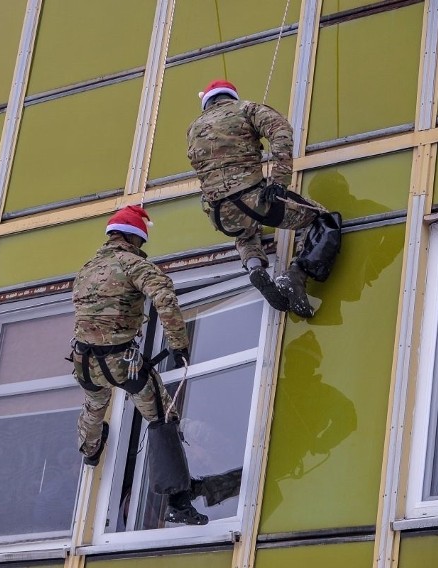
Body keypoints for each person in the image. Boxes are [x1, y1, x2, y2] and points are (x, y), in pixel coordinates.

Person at [70, 204, 208, 525]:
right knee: (161, 414)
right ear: (135, 239)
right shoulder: (133, 265)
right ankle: (178, 501)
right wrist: (178, 344)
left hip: (83, 361)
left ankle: (90, 451)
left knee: (94, 405)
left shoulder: (85, 270)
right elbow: (164, 297)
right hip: (122, 360)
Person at [186, 79, 341, 318]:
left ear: (207, 103)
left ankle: (254, 267)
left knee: (245, 233)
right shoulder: (246, 109)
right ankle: (297, 274)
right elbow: (281, 131)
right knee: (322, 218)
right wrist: (279, 181)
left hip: (219, 213)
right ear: (230, 96)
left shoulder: (193, 129)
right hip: (254, 199)